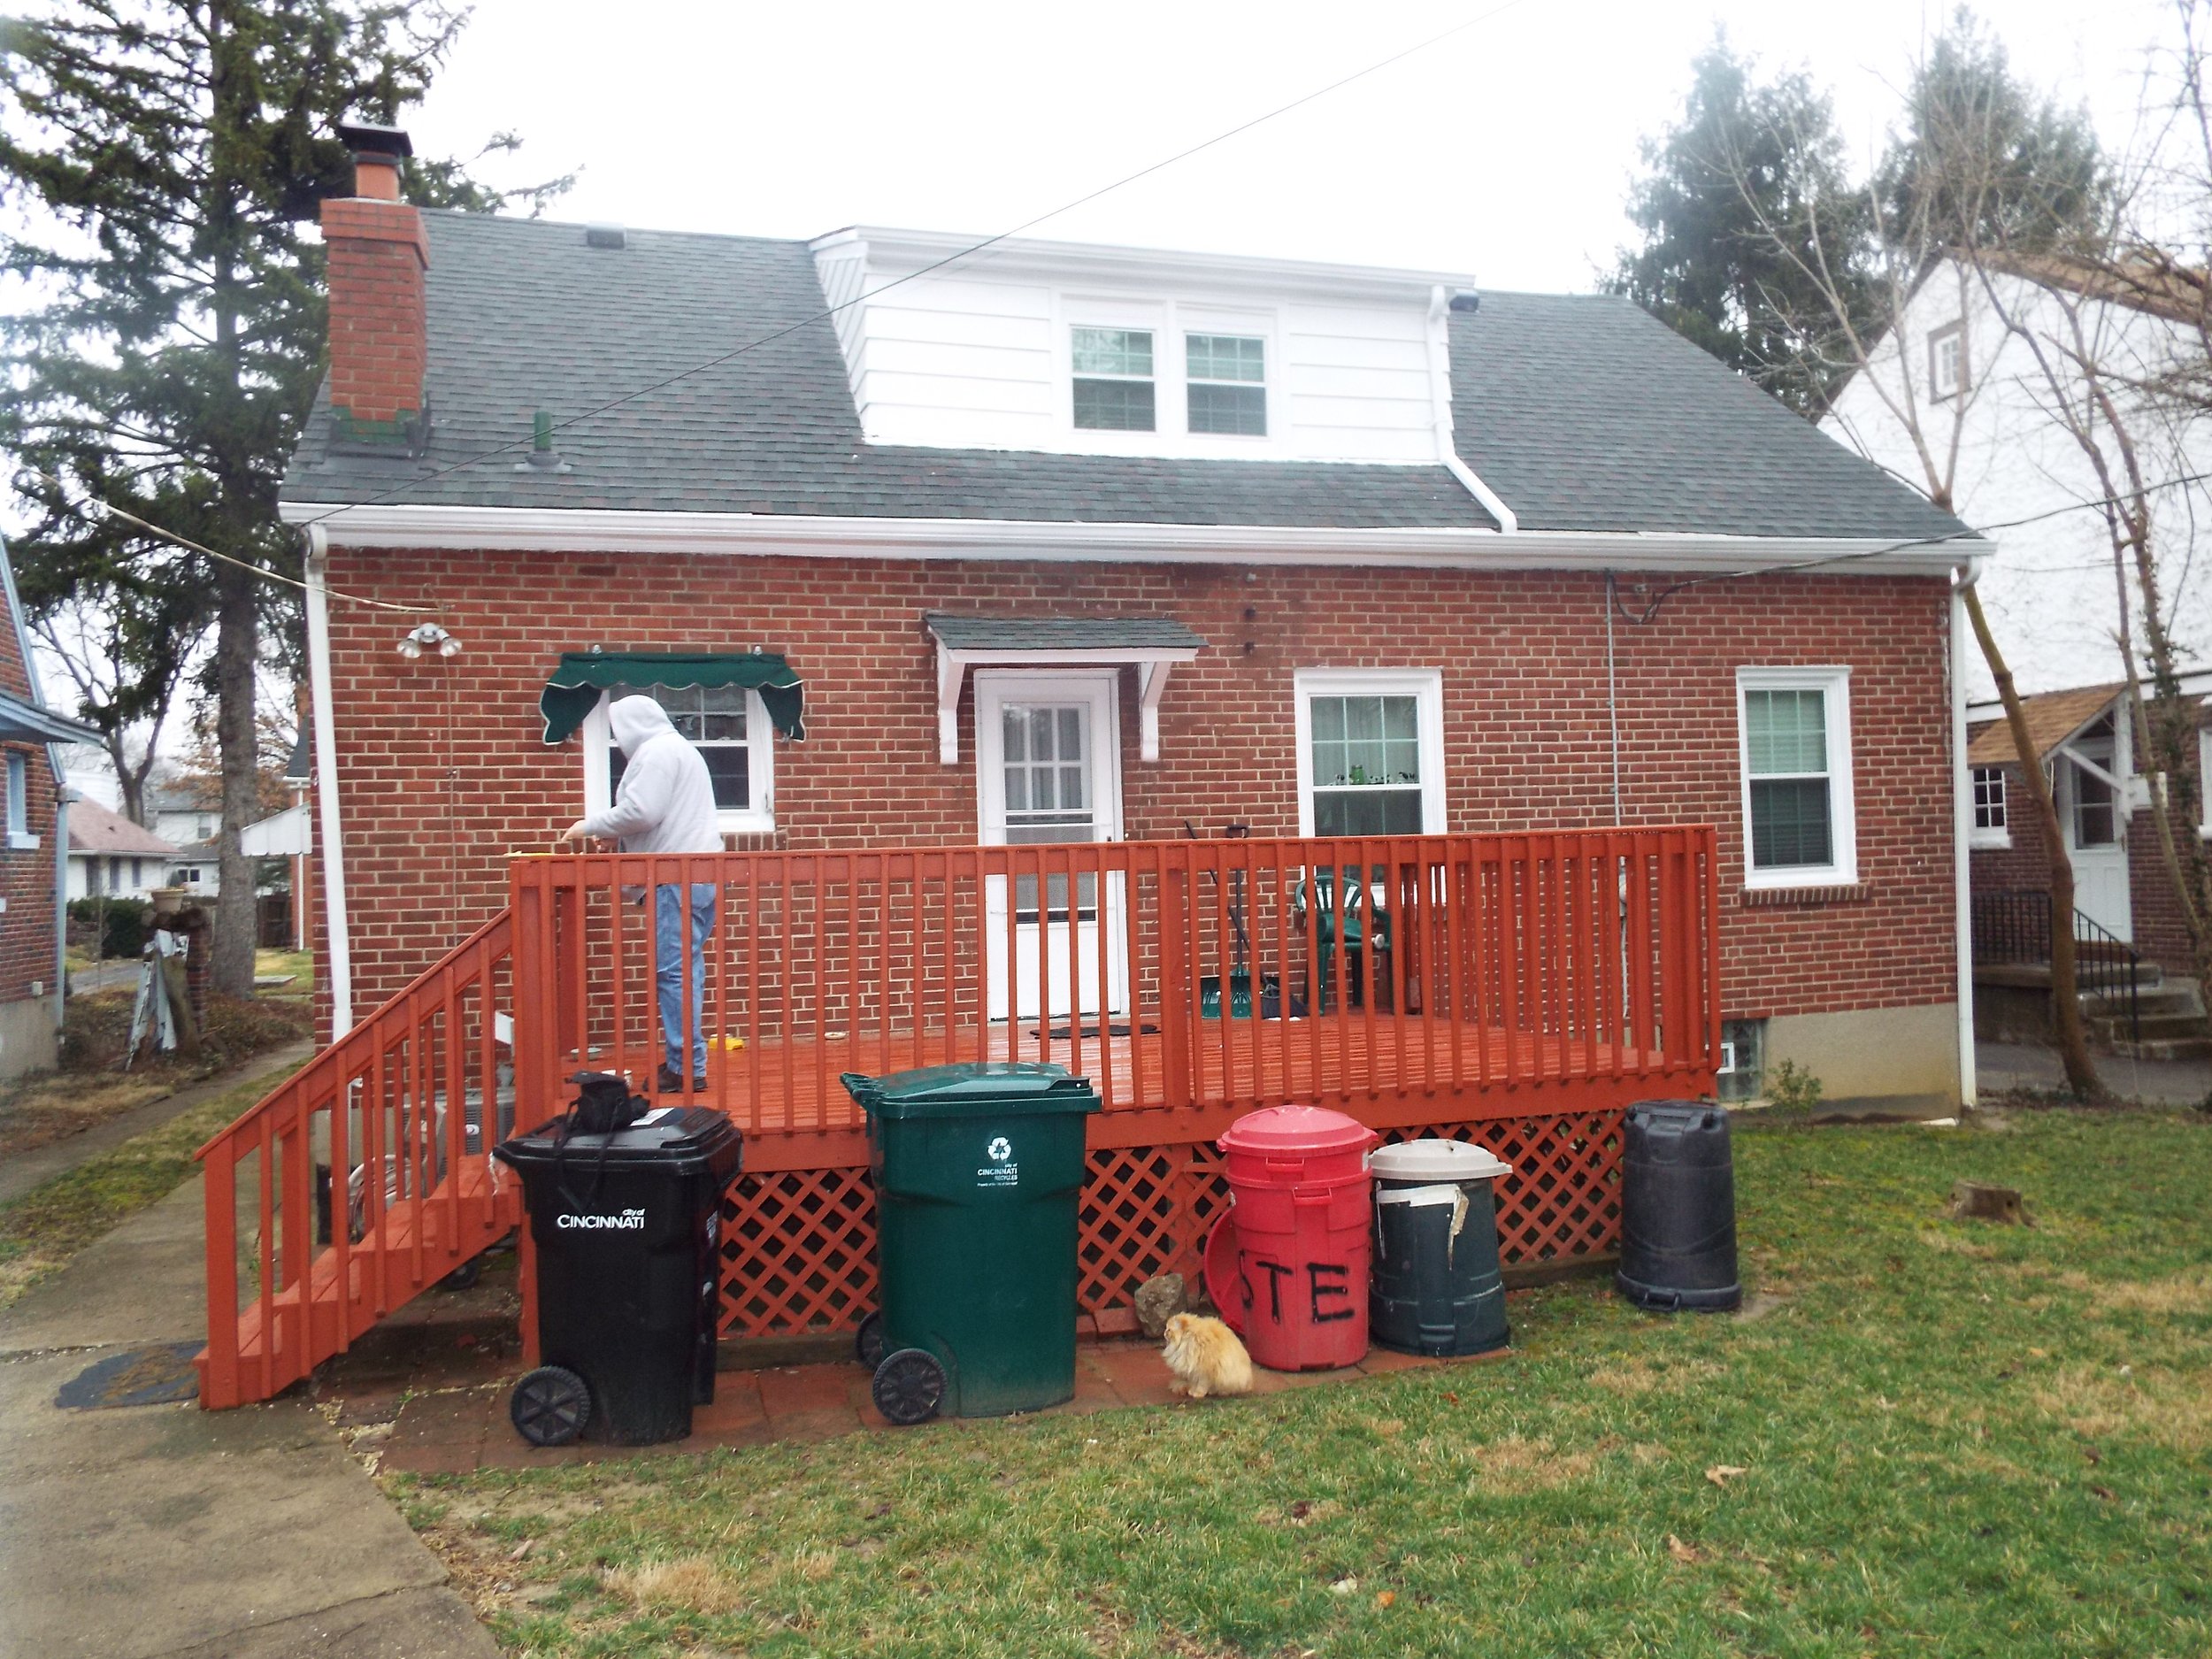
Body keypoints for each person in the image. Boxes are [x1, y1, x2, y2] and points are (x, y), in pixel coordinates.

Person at [561, 695, 721, 1094]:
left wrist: (590, 824)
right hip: (696, 875)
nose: (617, 740)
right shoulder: (677, 750)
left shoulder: (656, 752)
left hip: (675, 878)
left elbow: (642, 812)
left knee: (674, 974)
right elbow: (658, 819)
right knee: (686, 972)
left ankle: (685, 1069)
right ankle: (688, 1063)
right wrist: (617, 839)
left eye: (617, 730)